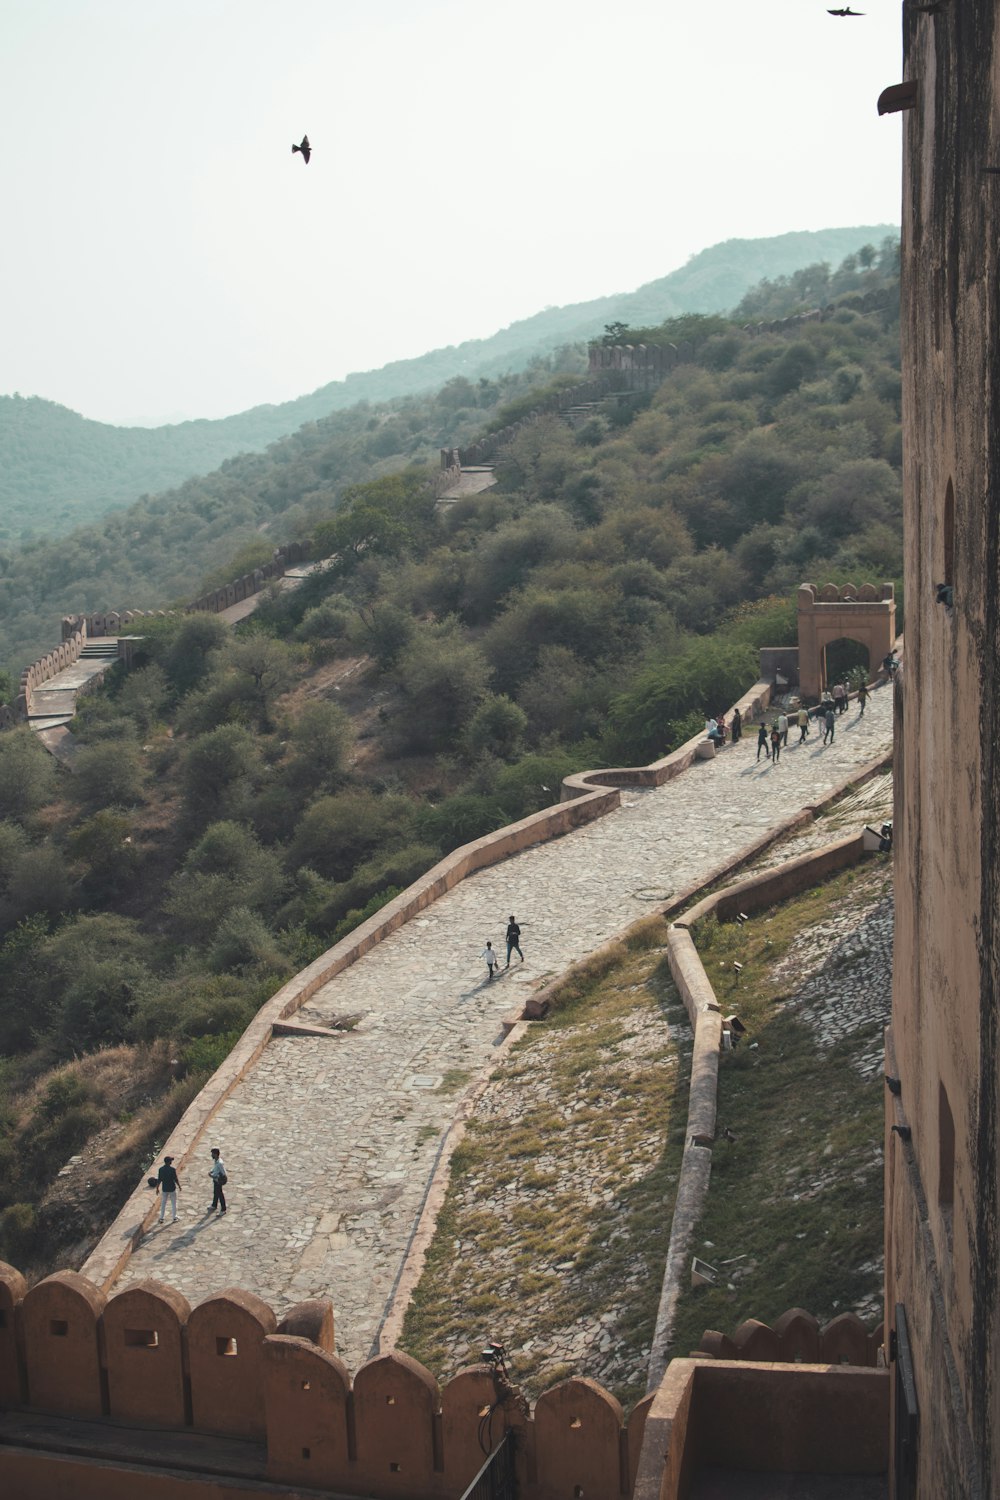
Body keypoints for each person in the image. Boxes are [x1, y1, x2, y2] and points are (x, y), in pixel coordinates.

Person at [156, 1155, 181, 1224]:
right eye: (171, 1161)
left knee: (163, 1203)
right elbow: (175, 1179)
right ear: (169, 1162)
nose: (171, 1162)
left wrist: (157, 1188)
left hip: (164, 1189)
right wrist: (179, 1186)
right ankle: (174, 1217)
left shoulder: (161, 1169)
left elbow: (159, 1179)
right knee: (174, 1203)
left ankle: (161, 1218)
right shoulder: (172, 1170)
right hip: (172, 1188)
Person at [208, 1147, 227, 1215]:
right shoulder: (216, 1161)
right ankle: (214, 1205)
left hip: (218, 1180)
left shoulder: (220, 1163)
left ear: (215, 1154)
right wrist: (211, 1171)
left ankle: (223, 1209)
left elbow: (222, 1173)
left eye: (212, 1154)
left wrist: (213, 1176)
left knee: (220, 1194)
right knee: (215, 1193)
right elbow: (215, 1169)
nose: (211, 1155)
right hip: (215, 1180)